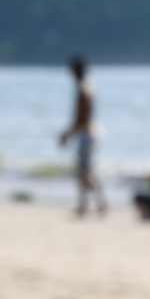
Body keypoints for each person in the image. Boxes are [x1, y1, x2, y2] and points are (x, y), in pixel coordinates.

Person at [58, 55, 106, 218]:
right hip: (88, 133)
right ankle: (93, 204)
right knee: (86, 172)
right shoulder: (86, 88)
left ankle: (89, 204)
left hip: (87, 133)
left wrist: (67, 134)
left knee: (84, 172)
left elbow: (81, 118)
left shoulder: (83, 90)